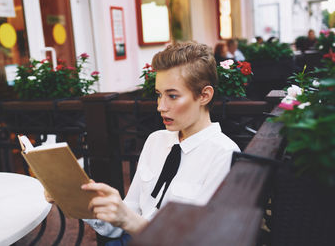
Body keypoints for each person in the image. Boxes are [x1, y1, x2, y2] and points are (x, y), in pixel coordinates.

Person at [45, 42, 240, 244]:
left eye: (172, 96)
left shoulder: (224, 154)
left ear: (204, 95)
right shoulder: (156, 140)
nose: (161, 107)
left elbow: (197, 240)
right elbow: (127, 217)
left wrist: (129, 220)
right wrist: (85, 202)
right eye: (159, 94)